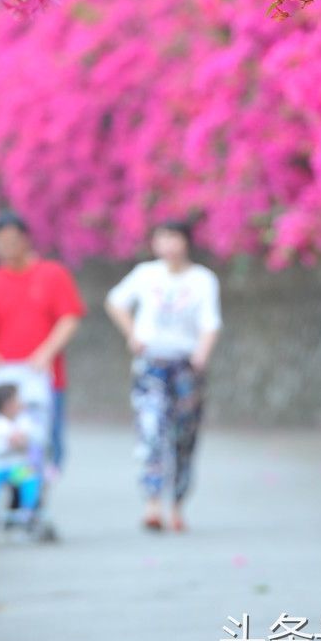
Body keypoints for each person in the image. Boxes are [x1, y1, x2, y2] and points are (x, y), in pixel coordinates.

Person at [105, 219, 222, 532]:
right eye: (163, 238)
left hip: (185, 366)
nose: (169, 245)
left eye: (175, 238)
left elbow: (211, 322)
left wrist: (201, 354)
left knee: (184, 436)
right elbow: (116, 302)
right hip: (151, 364)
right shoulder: (146, 275)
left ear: (186, 242)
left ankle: (178, 504)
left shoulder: (202, 279)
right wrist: (133, 334)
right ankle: (152, 503)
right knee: (151, 429)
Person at [0, 212, 85, 470]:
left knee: (45, 438)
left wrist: (45, 353)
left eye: (11, 240)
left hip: (42, 376)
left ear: (26, 240)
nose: (6, 247)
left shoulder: (53, 275)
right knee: (1, 437)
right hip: (3, 379)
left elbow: (69, 318)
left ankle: (37, 492)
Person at [0, 381, 44, 530]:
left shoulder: (26, 422)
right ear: (7, 405)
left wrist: (25, 439)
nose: (21, 403)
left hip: (18, 468)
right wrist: (7, 443)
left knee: (30, 477)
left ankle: (28, 510)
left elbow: (38, 438)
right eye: (17, 400)